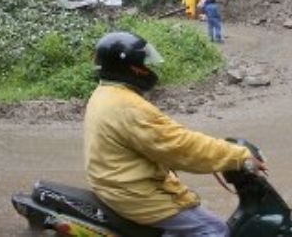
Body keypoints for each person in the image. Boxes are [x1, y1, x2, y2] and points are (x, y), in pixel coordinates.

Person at [84, 31, 266, 236]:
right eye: (143, 63)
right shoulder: (128, 107)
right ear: (129, 67)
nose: (147, 68)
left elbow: (165, 141)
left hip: (114, 186)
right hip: (133, 194)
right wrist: (238, 156)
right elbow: (181, 147)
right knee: (214, 230)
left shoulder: (104, 94)